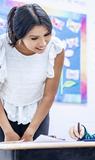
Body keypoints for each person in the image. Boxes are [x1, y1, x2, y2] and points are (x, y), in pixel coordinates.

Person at [0, 3, 64, 142]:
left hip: (37, 114)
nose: (43, 43)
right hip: (3, 115)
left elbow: (49, 95)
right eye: (34, 38)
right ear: (19, 35)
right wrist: (7, 130)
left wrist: (30, 132)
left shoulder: (56, 49)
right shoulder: (2, 46)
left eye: (47, 35)